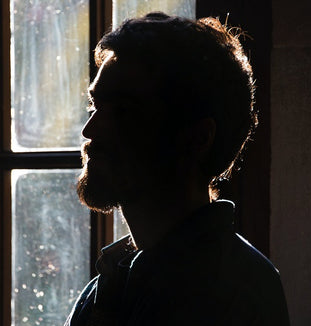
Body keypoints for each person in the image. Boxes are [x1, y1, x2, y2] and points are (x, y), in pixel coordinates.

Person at [65, 12, 290, 326]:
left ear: (197, 139)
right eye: (94, 106)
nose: (90, 130)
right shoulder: (110, 285)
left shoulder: (230, 292)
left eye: (124, 112)